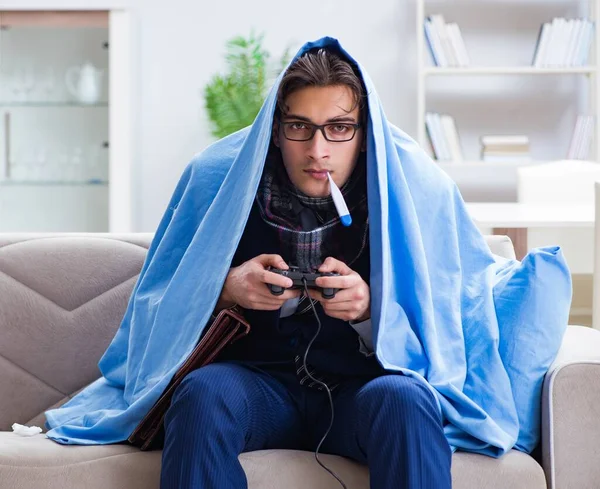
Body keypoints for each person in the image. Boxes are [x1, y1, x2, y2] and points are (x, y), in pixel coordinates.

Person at [159, 47, 452, 489]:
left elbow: (448, 322)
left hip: (359, 391)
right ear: (276, 132)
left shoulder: (408, 195)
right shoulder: (218, 185)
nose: (318, 151)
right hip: (256, 385)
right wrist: (226, 287)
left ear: (365, 134)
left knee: (406, 400)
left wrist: (371, 310)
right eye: (299, 127)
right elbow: (159, 304)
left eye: (338, 128)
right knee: (202, 395)